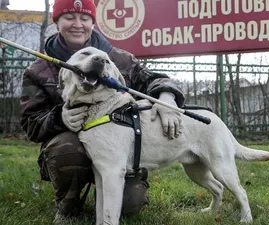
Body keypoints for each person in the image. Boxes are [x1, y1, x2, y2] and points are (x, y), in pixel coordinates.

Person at [19, 0, 185, 223]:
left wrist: (166, 96)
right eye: (69, 17)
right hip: (71, 148)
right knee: (67, 147)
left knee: (130, 204)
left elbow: (155, 79)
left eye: (85, 18)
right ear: (56, 22)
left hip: (117, 147)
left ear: (92, 23)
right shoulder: (38, 70)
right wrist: (59, 118)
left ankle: (113, 191)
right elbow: (30, 124)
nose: (78, 24)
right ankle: (69, 204)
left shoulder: (117, 59)